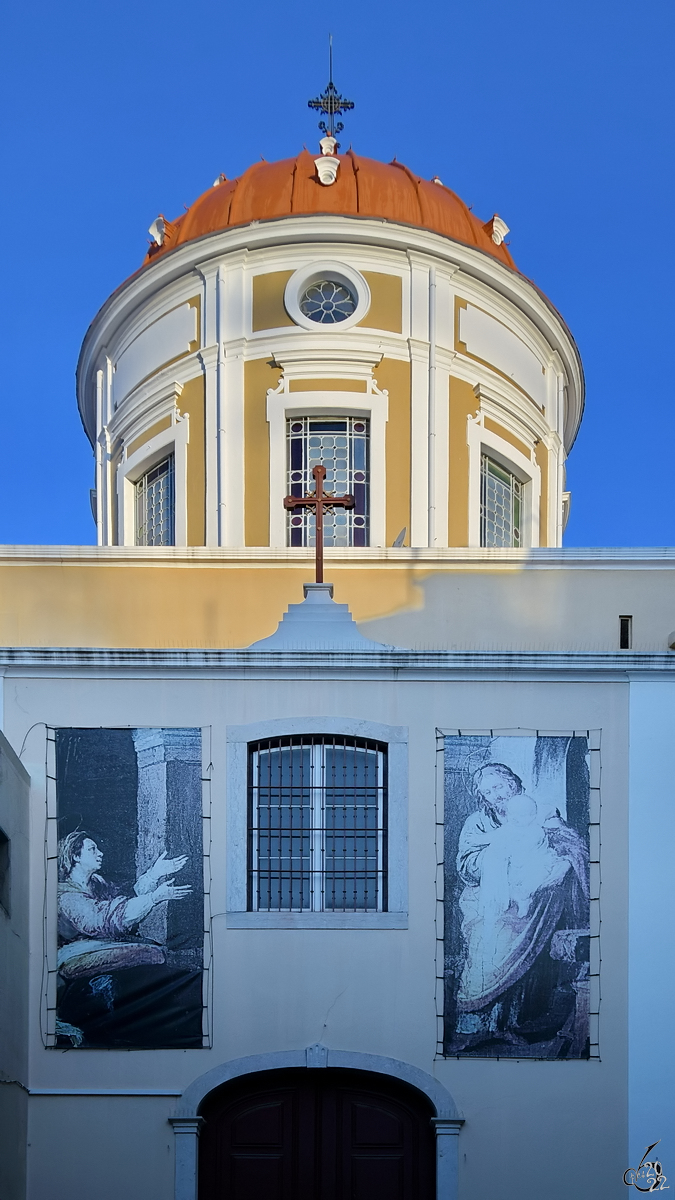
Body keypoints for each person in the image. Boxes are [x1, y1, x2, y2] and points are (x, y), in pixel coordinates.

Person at [454, 763, 589, 1052]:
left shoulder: (539, 809)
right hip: (489, 902)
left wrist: (561, 863)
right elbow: (465, 866)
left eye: (500, 786)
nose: (497, 795)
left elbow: (571, 846)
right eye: (488, 791)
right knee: (485, 953)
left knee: (529, 965)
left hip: (533, 908)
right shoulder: (478, 822)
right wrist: (500, 858)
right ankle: (475, 1028)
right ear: (483, 797)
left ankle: (509, 1026)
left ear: (513, 782)